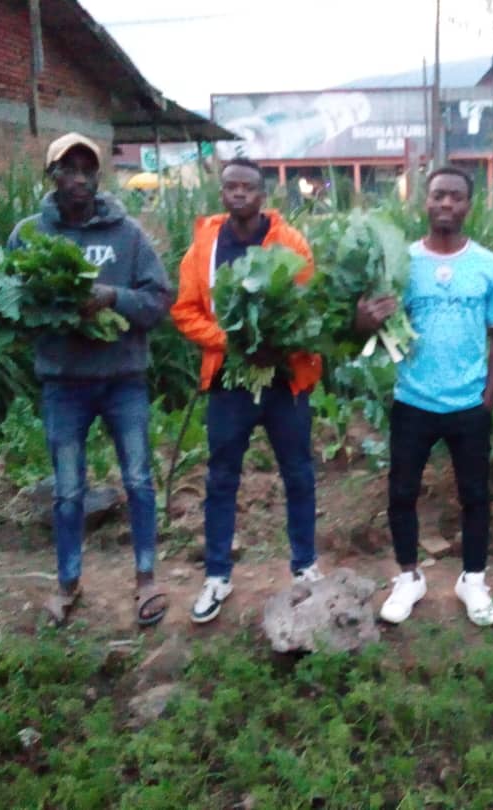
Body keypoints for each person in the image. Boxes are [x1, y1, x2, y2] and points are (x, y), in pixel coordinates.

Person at [8, 132, 173, 626]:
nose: (79, 179)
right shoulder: (30, 235)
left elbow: (158, 301)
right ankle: (67, 586)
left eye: (88, 170)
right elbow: (13, 304)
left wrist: (111, 297)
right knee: (67, 490)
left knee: (140, 480)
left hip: (123, 380)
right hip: (64, 383)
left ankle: (146, 581)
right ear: (52, 176)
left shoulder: (127, 235)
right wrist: (52, 309)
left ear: (98, 177)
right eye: (68, 170)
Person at [355, 166, 493, 626]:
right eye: (438, 195)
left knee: (475, 497)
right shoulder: (402, 264)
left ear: (469, 205)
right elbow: (370, 326)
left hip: (468, 405)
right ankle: (410, 578)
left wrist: (488, 397)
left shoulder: (488, 264)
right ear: (424, 202)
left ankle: (473, 580)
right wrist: (364, 318)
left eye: (456, 197)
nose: (446, 204)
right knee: (402, 492)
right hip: (413, 400)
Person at [171, 158, 324, 624]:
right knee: (221, 477)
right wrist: (232, 342)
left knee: (297, 472)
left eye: (248, 187)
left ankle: (305, 566)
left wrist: (273, 344)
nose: (238, 194)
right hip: (229, 381)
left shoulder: (291, 243)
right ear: (222, 193)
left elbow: (306, 308)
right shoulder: (204, 246)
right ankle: (217, 574)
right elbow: (185, 310)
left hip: (284, 380)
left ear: (263, 195)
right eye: (230, 186)